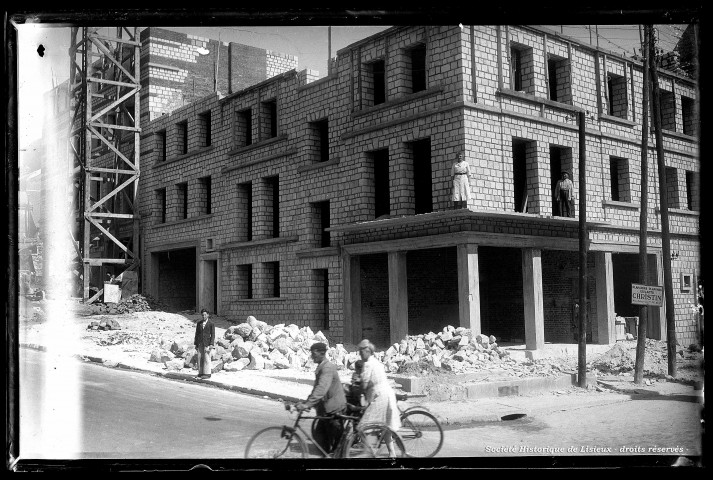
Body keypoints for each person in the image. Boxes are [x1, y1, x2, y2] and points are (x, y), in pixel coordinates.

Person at [296, 342, 347, 455]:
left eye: (314, 353)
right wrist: (307, 403)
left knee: (336, 447)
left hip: (334, 409)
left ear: (322, 353)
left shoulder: (327, 367)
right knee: (321, 441)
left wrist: (307, 405)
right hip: (326, 410)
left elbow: (321, 390)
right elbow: (316, 389)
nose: (312, 356)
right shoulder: (321, 367)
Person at [357, 339, 401, 457]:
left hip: (380, 397)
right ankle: (392, 453)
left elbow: (364, 384)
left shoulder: (367, 364)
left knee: (363, 426)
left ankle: (371, 452)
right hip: (387, 394)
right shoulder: (376, 362)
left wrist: (360, 388)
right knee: (385, 426)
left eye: (362, 351)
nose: (360, 353)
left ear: (368, 351)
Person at [194, 308, 215, 379]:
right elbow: (197, 334)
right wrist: (196, 344)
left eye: (205, 315)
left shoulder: (211, 324)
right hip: (200, 343)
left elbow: (213, 335)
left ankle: (207, 374)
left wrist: (211, 344)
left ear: (208, 315)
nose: (204, 316)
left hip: (207, 343)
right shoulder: (199, 323)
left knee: (207, 358)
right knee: (200, 358)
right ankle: (200, 373)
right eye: (202, 315)